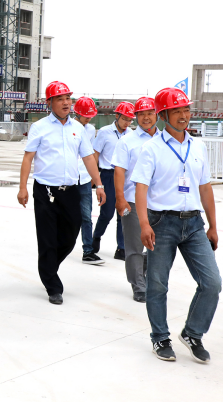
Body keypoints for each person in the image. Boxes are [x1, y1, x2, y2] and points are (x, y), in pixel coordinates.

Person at [132, 87, 221, 363]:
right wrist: (144, 224)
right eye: (177, 111)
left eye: (186, 110)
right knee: (158, 285)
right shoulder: (151, 148)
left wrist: (212, 225)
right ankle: (160, 337)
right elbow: (141, 188)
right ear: (163, 115)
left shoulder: (198, 146)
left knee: (212, 283)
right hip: (162, 223)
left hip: (194, 223)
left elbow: (205, 187)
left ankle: (193, 333)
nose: (184, 116)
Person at [17, 81, 106, 305]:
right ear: (50, 103)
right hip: (45, 191)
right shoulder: (39, 127)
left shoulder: (78, 128)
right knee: (47, 238)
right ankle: (53, 285)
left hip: (71, 191)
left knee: (70, 235)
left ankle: (47, 267)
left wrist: (99, 185)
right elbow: (28, 158)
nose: (66, 102)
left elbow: (88, 158)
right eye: (60, 99)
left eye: (68, 98)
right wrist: (22, 187)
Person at [112, 97, 157, 302]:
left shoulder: (164, 139)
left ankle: (143, 271)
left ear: (157, 115)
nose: (146, 118)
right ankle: (138, 285)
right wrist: (120, 198)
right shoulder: (126, 141)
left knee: (160, 245)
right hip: (132, 200)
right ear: (136, 116)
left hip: (158, 202)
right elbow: (119, 171)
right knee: (134, 246)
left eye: (150, 113)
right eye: (141, 114)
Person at [91, 101, 135, 261]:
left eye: (130, 120)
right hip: (108, 175)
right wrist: (94, 179)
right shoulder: (104, 132)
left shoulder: (131, 134)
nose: (127, 123)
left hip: (125, 176)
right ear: (117, 116)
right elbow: (95, 155)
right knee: (107, 212)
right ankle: (96, 237)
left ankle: (121, 248)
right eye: (124, 119)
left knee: (124, 212)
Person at [72, 96, 101, 264]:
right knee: (65, 216)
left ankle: (88, 251)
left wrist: (95, 178)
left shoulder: (90, 130)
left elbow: (91, 155)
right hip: (68, 179)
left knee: (86, 216)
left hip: (84, 178)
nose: (88, 119)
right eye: (86, 116)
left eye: (91, 116)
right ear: (77, 113)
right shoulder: (68, 127)